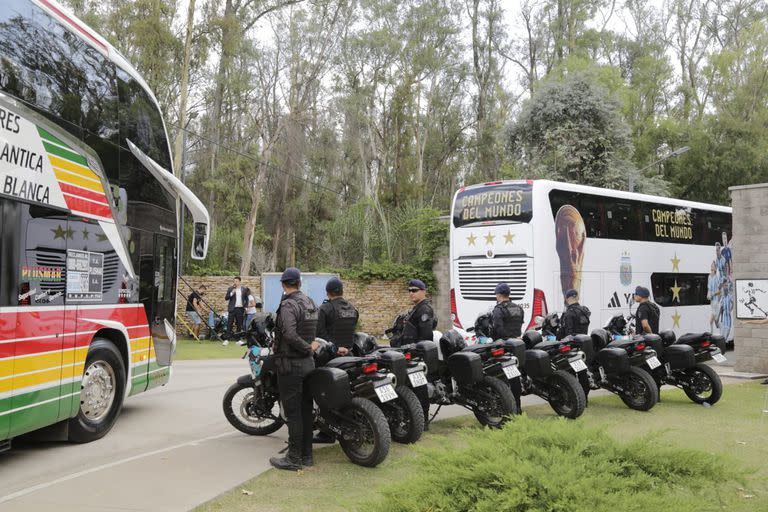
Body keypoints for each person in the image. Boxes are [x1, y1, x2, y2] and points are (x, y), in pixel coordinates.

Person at [269, 267, 319, 471]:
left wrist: (305, 347)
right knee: (307, 410)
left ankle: (294, 458)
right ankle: (307, 455)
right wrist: (309, 348)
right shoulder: (310, 302)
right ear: (299, 282)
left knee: (293, 412)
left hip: (291, 363)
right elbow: (313, 330)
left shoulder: (288, 305)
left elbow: (288, 334)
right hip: (308, 363)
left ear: (283, 284)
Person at [316, 277, 359, 348]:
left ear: (327, 293)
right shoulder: (353, 309)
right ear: (342, 291)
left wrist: (335, 348)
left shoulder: (324, 309)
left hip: (330, 355)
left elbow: (320, 335)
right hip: (349, 354)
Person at [396, 279, 436, 347]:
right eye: (409, 291)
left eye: (414, 290)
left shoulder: (424, 310)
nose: (411, 293)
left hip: (416, 353)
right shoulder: (417, 308)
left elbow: (426, 338)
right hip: (409, 349)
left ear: (423, 291)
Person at [224, 276, 250, 343]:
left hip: (240, 309)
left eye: (236, 281)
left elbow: (246, 299)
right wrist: (232, 293)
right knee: (229, 324)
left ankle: (238, 339)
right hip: (232, 309)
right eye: (234, 281)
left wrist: (246, 307)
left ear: (239, 282)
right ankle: (227, 339)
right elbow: (226, 298)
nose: (235, 282)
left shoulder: (244, 289)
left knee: (239, 324)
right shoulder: (230, 288)